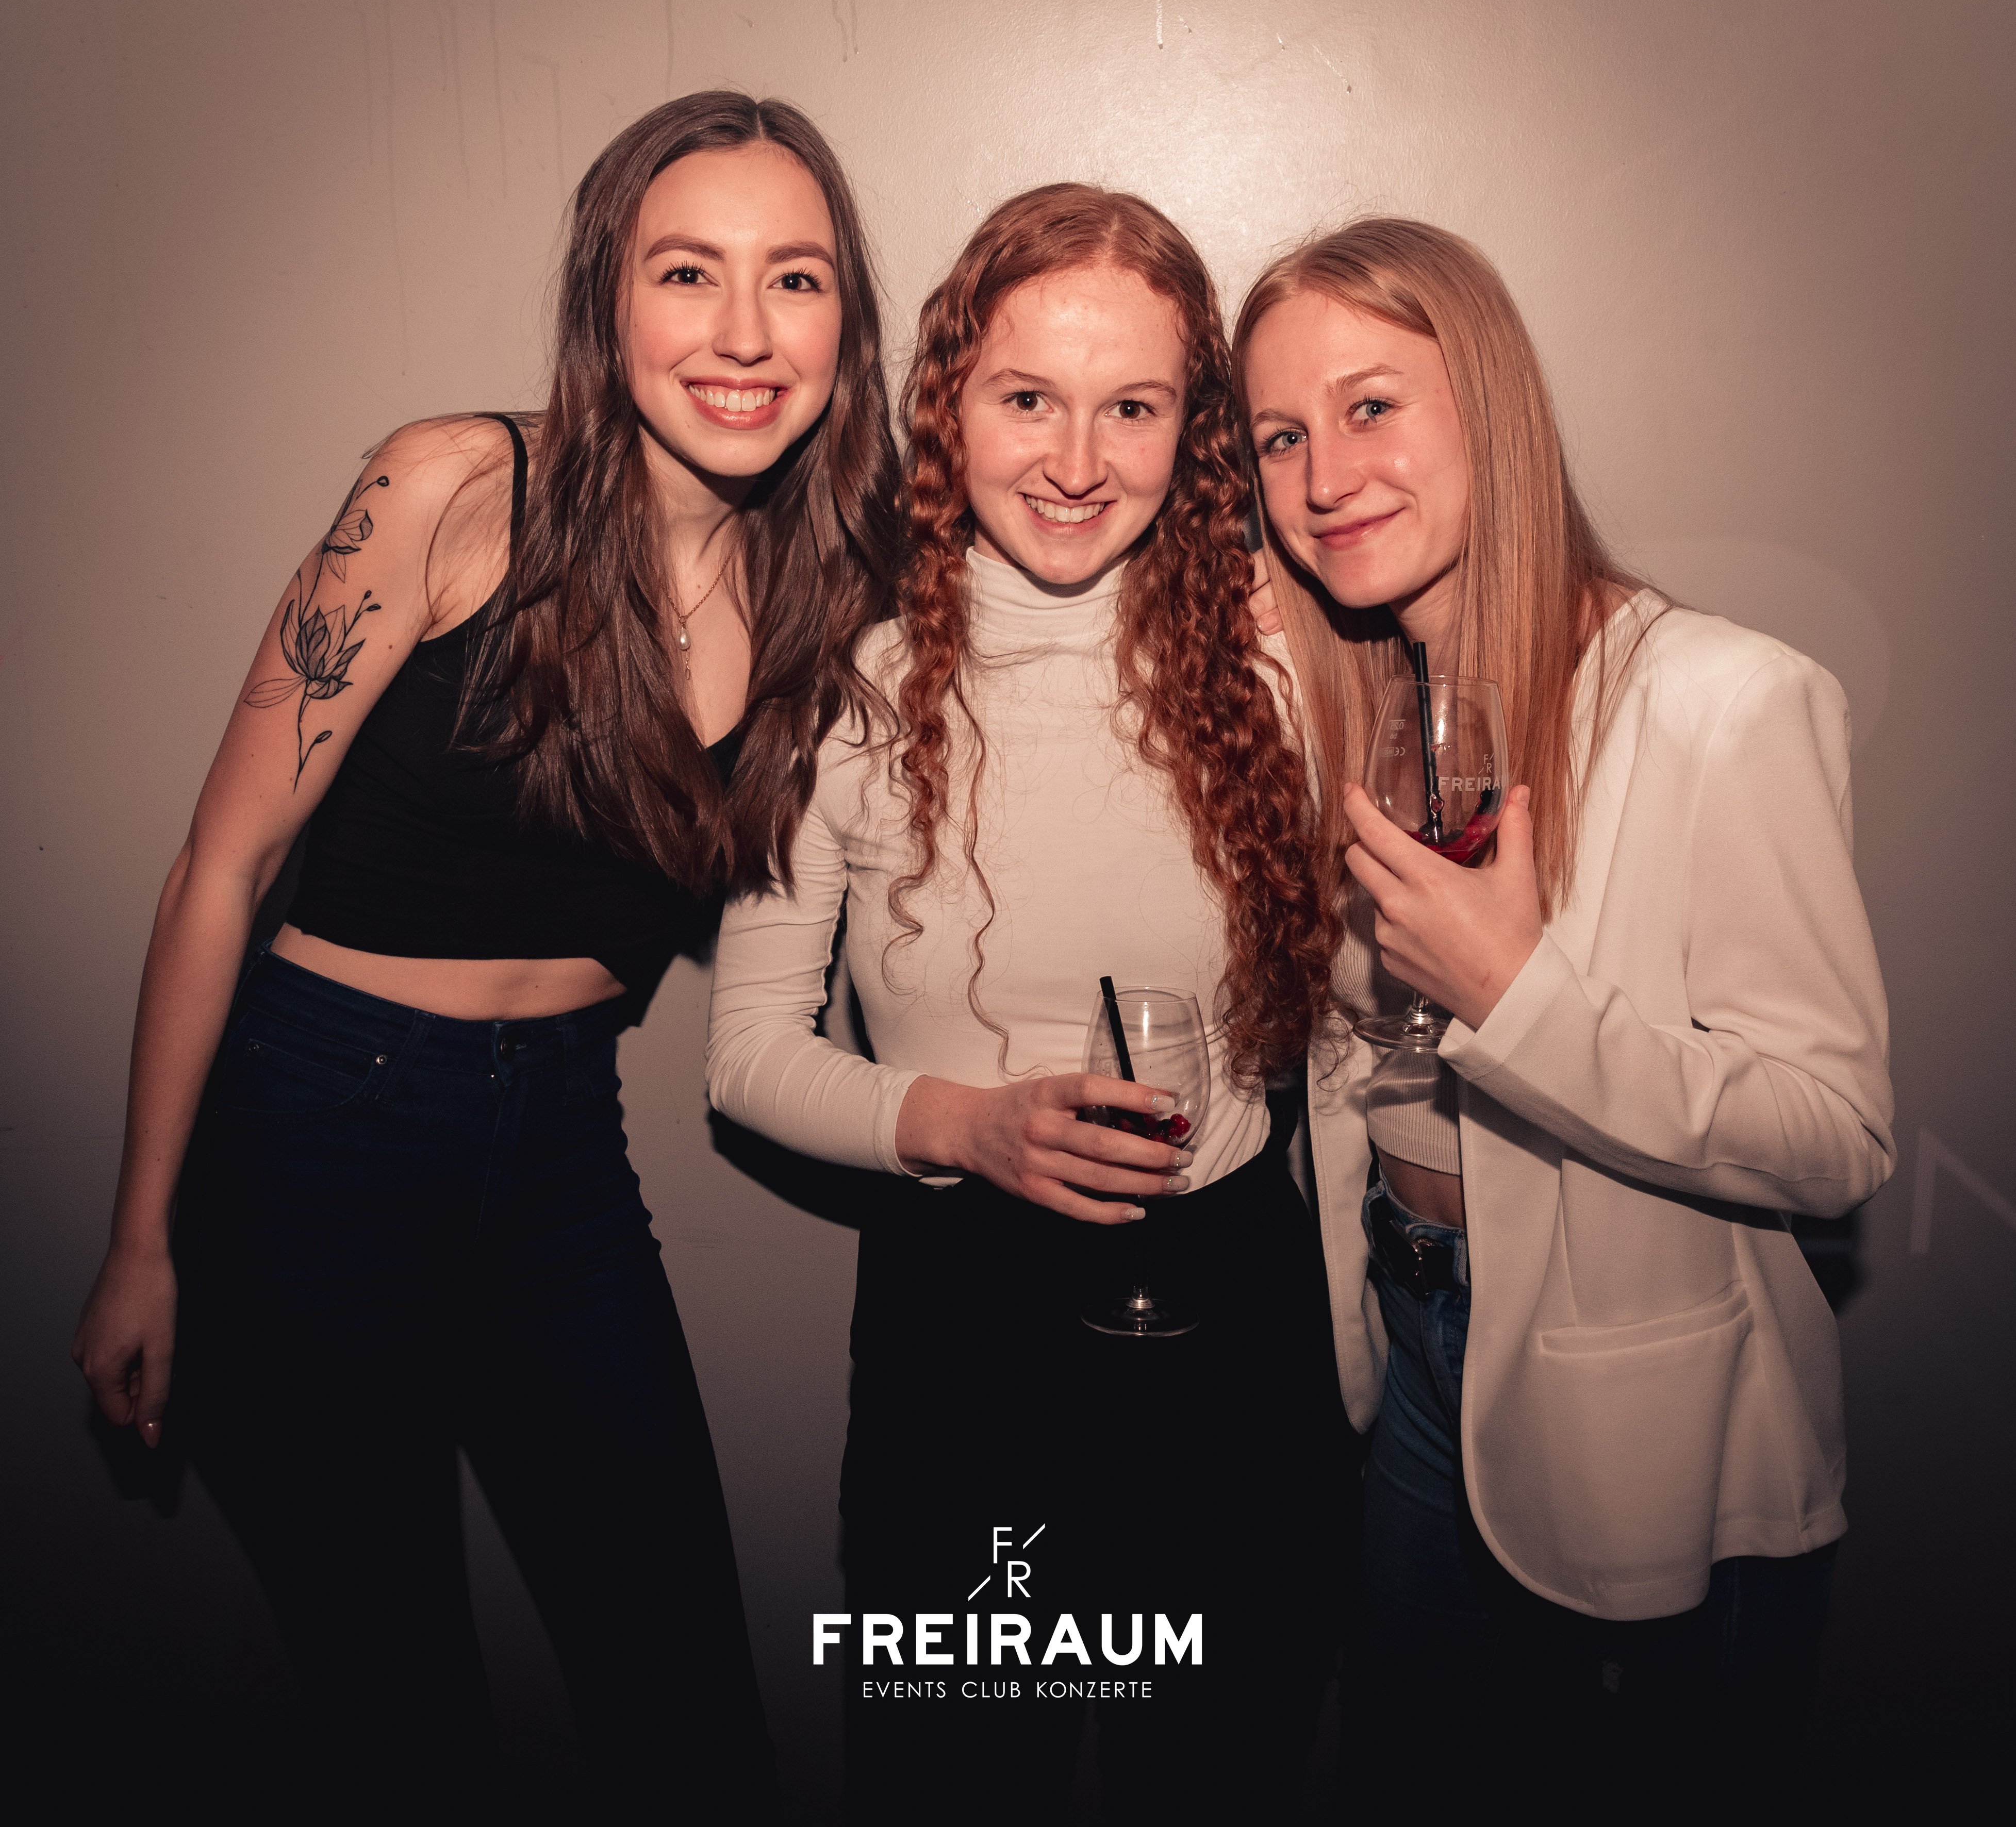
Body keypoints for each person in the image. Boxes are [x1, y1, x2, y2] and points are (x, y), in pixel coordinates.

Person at [69, 91, 902, 1817]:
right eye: (688, 272)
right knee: (409, 1729)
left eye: (797, 279)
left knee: (690, 1713)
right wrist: (142, 1238)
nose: (745, 334)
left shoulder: (839, 578)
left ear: (847, 324)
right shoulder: (454, 485)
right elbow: (223, 867)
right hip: (313, 1136)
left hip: (562, 1154)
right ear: (610, 298)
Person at [706, 184, 1351, 1823]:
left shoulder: (1284, 667)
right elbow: (748, 1058)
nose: (1076, 461)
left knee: (1221, 1773)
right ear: (949, 407)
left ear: (1194, 431)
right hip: (964, 1336)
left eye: (1132, 407)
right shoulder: (840, 692)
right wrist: (964, 1128)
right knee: (953, 1774)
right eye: (1026, 400)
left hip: (1236, 1318)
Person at [1234, 218, 1894, 1798]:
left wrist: (1517, 997)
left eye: (1372, 406)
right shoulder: (1370, 707)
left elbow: (1835, 1139)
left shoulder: (1720, 700)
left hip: (1636, 1416)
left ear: (1494, 407)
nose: (1324, 476)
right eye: (1280, 436)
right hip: (1411, 1351)